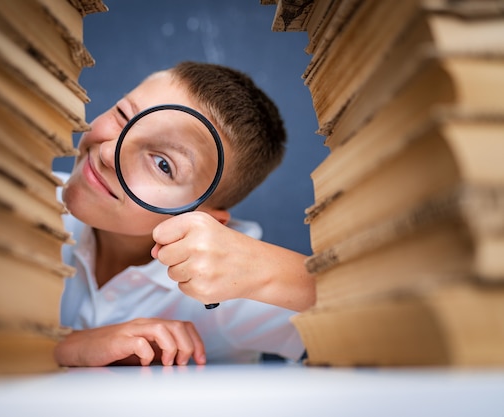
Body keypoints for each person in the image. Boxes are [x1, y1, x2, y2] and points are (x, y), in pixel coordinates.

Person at [54, 61, 316, 368]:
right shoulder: (27, 194)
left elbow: (382, 318)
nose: (108, 153)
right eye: (124, 115)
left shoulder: (231, 290)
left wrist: (267, 271)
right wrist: (70, 345)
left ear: (205, 219)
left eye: (163, 164)